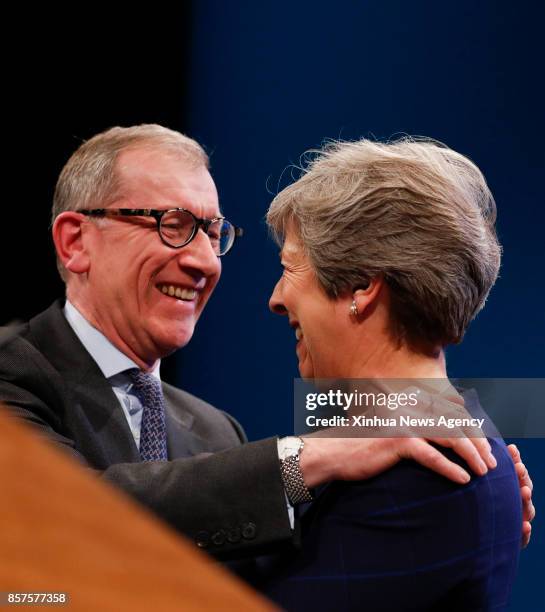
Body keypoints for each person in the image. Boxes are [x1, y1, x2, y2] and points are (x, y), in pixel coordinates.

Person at [0, 126, 532, 567]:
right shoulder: (13, 371)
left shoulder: (214, 429)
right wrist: (309, 454)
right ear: (75, 241)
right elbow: (63, 518)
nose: (207, 262)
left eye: (213, 233)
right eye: (173, 225)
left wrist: (467, 512)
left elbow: (265, 580)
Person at [254, 137, 531, 610]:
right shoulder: (424, 438)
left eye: (290, 268)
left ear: (363, 286)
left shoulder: (421, 471)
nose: (276, 299)